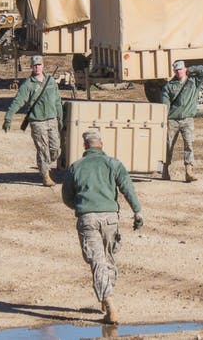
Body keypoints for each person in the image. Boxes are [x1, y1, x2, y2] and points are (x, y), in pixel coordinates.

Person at [61, 130, 143, 325]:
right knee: (108, 258)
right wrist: (137, 211)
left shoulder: (75, 167)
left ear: (85, 146)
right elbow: (127, 188)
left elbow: (67, 197)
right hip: (110, 218)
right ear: (101, 144)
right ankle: (107, 295)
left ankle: (109, 303)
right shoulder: (113, 164)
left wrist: (81, 206)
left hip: (87, 218)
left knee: (97, 260)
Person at [3, 55, 63, 186]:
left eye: (39, 65)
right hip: (37, 121)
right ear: (31, 67)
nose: (37, 67)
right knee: (43, 149)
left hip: (52, 119)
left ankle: (44, 165)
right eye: (35, 65)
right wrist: (8, 117)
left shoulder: (51, 82)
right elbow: (18, 101)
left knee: (55, 149)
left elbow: (58, 101)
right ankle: (46, 175)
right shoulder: (28, 85)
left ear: (43, 66)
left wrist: (60, 117)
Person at [160, 60, 203, 182]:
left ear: (185, 69)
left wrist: (192, 69)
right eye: (176, 70)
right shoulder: (169, 86)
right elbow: (165, 104)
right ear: (174, 71)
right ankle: (165, 170)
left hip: (187, 120)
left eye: (181, 69)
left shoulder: (194, 81)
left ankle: (189, 171)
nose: (179, 72)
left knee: (189, 145)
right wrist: (163, 119)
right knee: (168, 146)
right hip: (172, 120)